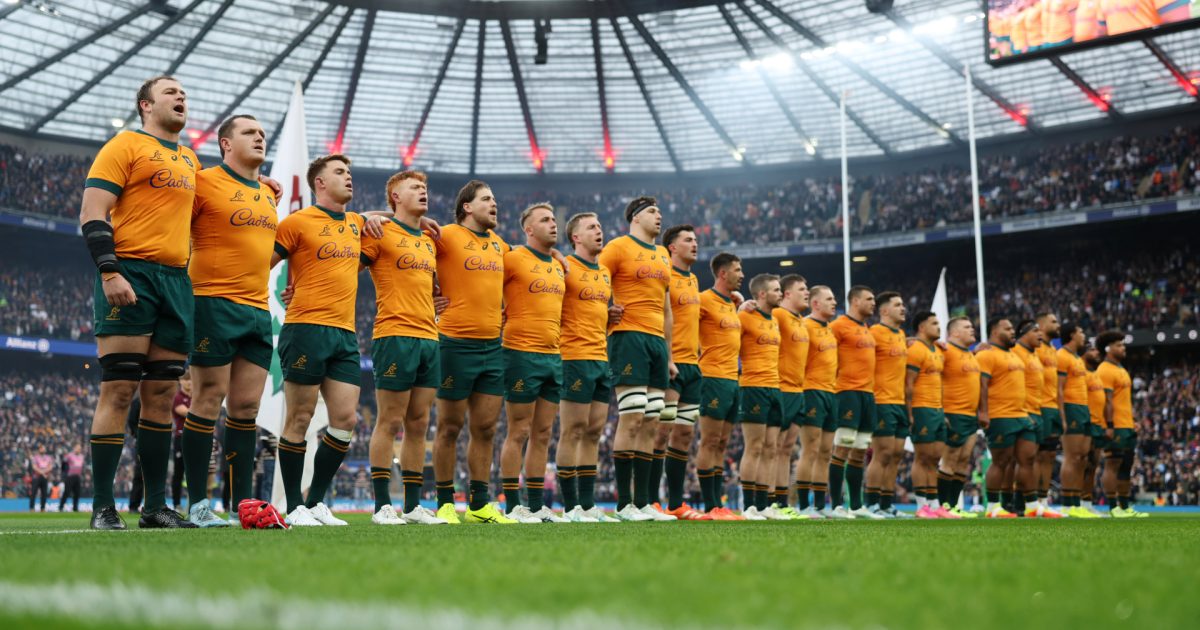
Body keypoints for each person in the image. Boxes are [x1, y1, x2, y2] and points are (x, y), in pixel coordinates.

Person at [81, 76, 201, 529]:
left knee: (162, 394)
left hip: (176, 280)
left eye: (184, 92)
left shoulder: (190, 159)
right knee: (119, 388)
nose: (181, 96)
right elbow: (92, 211)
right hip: (131, 271)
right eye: (170, 91)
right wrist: (109, 271)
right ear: (145, 105)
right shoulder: (125, 145)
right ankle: (102, 506)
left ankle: (154, 507)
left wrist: (259, 183)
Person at [185, 114, 278, 526]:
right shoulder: (202, 182)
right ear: (225, 143)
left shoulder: (268, 193)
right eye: (249, 133)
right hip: (212, 303)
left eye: (262, 134)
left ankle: (244, 507)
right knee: (208, 398)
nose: (259, 137)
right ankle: (198, 504)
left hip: (258, 311)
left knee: (246, 408)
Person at [269, 154, 366, 527]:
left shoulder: (358, 224)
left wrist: (382, 217)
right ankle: (294, 506)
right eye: (340, 172)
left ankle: (315, 502)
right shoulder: (297, 223)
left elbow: (387, 222)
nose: (348, 177)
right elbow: (262, 262)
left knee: (345, 420)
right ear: (320, 183)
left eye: (349, 172)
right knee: (300, 417)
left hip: (345, 333)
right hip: (306, 328)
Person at [360, 170, 446, 526]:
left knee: (419, 423)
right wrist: (369, 216)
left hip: (429, 337)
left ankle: (412, 507)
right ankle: (382, 506)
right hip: (394, 335)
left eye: (424, 187)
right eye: (414, 187)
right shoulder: (378, 231)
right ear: (395, 197)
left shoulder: (429, 240)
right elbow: (344, 262)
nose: (423, 191)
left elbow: (432, 288)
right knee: (390, 420)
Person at [432, 180, 517, 524]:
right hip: (454, 344)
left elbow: (528, 268)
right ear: (466, 206)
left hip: (492, 347)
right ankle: (444, 503)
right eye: (486, 199)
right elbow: (409, 261)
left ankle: (479, 504)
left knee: (485, 429)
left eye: (494, 199)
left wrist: (555, 256)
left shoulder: (500, 245)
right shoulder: (445, 235)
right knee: (449, 427)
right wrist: (429, 296)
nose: (494, 204)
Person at [598, 196, 677, 522]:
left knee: (652, 421)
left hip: (657, 343)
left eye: (659, 211)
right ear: (635, 217)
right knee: (632, 417)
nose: (659, 216)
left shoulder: (663, 255)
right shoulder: (617, 247)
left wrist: (668, 354)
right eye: (652, 212)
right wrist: (605, 310)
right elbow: (593, 279)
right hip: (628, 336)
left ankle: (643, 503)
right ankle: (624, 504)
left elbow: (667, 310)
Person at [498, 203, 568, 523]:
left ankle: (537, 505)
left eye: (553, 219)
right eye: (545, 220)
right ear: (528, 229)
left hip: (553, 355)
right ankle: (513, 505)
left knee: (543, 433)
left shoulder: (558, 265)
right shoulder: (512, 258)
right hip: (520, 353)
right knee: (519, 431)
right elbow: (484, 283)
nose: (553, 224)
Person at [556, 212, 619, 523]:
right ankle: (570, 508)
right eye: (592, 227)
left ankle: (587, 504)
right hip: (573, 357)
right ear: (576, 237)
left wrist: (609, 318)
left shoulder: (604, 272)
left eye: (600, 226)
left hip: (600, 357)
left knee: (594, 432)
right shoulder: (564, 266)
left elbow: (592, 313)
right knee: (573, 430)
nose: (599, 231)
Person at [656, 224, 707, 520]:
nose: (695, 244)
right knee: (661, 432)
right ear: (672, 247)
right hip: (670, 363)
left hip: (693, 366)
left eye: (696, 239)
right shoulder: (664, 275)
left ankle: (675, 504)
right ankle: (650, 502)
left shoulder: (694, 279)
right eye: (688, 240)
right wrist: (667, 357)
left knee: (684, 435)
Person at [695, 253, 745, 521]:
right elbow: (683, 323)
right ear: (723, 273)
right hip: (712, 377)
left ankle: (718, 505)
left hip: (732, 379)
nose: (742, 274)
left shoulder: (732, 304)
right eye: (737, 270)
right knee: (710, 441)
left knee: (722, 444)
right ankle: (710, 505)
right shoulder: (703, 299)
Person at [736, 274, 784, 520]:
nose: (780, 294)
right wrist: (738, 309)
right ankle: (748, 506)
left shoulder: (774, 320)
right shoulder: (745, 317)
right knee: (754, 447)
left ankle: (764, 505)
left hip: (774, 388)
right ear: (762, 294)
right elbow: (728, 338)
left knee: (771, 448)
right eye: (776, 290)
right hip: (753, 387)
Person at [828, 286, 878, 519]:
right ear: (855, 301)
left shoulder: (867, 329)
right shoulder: (838, 326)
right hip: (846, 392)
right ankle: (836, 505)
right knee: (843, 447)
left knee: (860, 450)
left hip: (867, 394)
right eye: (869, 299)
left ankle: (856, 506)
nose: (873, 302)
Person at [976, 318, 1030, 519]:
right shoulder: (986, 355)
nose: (1012, 331)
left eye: (1012, 328)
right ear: (994, 331)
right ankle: (992, 506)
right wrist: (983, 412)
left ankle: (1027, 504)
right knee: (1001, 461)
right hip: (1000, 415)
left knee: (1027, 459)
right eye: (1007, 328)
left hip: (1022, 415)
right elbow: (981, 385)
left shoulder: (1014, 355)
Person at [906, 311, 957, 519]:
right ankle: (921, 506)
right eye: (934, 323)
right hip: (921, 408)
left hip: (937, 410)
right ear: (921, 327)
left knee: (935, 458)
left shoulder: (937, 350)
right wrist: (910, 413)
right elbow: (908, 383)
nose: (939, 326)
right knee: (922, 457)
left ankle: (934, 504)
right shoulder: (915, 350)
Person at [1095, 331, 1148, 518]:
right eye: (1118, 345)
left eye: (1123, 344)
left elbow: (1123, 400)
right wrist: (1109, 425)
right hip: (1115, 426)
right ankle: (1112, 507)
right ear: (1108, 349)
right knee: (1112, 464)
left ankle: (1124, 507)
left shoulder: (1121, 370)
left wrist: (1133, 421)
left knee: (1126, 466)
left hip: (1126, 425)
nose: (1123, 348)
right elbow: (1106, 401)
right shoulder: (1104, 370)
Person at [771, 275, 810, 520]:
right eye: (802, 289)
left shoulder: (801, 322)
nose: (807, 292)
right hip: (781, 388)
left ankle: (782, 502)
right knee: (774, 448)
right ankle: (769, 502)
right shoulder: (778, 315)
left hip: (798, 390)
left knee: (786, 449)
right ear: (787, 294)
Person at [866, 291, 908, 519]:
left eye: (902, 304)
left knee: (896, 455)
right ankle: (871, 503)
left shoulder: (901, 334)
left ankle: (886, 504)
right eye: (897, 305)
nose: (903, 308)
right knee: (882, 453)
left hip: (900, 402)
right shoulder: (874, 333)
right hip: (881, 401)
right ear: (884, 310)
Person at [1012, 320, 1060, 518]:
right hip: (1024, 410)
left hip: (1040, 410)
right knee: (1024, 458)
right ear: (1024, 333)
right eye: (1035, 331)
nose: (1040, 334)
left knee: (1040, 457)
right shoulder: (1016, 351)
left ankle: (1038, 502)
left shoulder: (1038, 353)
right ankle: (1015, 502)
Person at [798, 285, 838, 519]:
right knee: (810, 449)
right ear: (815, 304)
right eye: (829, 299)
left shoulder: (831, 329)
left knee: (825, 452)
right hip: (811, 391)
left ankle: (821, 505)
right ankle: (804, 506)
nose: (834, 302)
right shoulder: (804, 326)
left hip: (831, 393)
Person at [937, 317, 981, 518]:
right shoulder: (945, 351)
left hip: (971, 415)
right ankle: (943, 506)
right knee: (950, 459)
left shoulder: (970, 354)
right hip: (952, 413)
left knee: (964, 461)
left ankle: (954, 507)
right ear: (954, 333)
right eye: (967, 327)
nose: (972, 329)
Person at [1057, 323, 1099, 518]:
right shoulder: (1062, 356)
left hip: (1083, 409)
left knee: (1082, 458)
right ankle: (1067, 504)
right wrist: (1062, 416)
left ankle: (1077, 503)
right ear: (1072, 335)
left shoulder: (1076, 359)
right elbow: (1059, 388)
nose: (1084, 335)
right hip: (1071, 408)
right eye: (1081, 331)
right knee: (1072, 457)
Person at [1034, 312, 1063, 515]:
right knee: (1035, 455)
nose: (1057, 324)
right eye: (1053, 321)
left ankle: (1043, 501)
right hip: (1040, 407)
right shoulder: (1036, 348)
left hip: (1052, 408)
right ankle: (1030, 501)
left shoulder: (1053, 350)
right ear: (1042, 325)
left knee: (1049, 455)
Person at [1082, 343, 1108, 516]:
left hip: (1099, 424)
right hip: (1086, 423)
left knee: (1093, 465)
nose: (1097, 352)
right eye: (1091, 350)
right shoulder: (1080, 374)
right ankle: (1074, 502)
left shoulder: (1096, 374)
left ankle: (1087, 502)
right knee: (1081, 464)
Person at [170, 372, 192, 512]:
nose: (189, 382)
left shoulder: (194, 397)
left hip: (194, 437)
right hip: (181, 437)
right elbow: (187, 413)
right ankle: (176, 504)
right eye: (186, 380)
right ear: (181, 381)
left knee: (194, 471)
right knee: (178, 472)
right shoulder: (178, 397)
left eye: (191, 380)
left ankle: (193, 503)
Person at [28, 445, 53, 512]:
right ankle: (32, 508)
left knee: (44, 493)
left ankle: (43, 508)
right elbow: (34, 467)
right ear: (39, 449)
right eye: (41, 448)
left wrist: (43, 472)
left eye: (43, 448)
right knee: (33, 493)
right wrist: (42, 473)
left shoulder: (48, 458)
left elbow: (50, 467)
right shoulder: (35, 457)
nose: (43, 449)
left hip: (45, 477)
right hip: (36, 477)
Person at [60, 444, 85, 512]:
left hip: (78, 476)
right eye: (78, 448)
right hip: (70, 476)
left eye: (80, 449)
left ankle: (75, 508)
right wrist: (64, 473)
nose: (79, 450)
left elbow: (81, 466)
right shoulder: (69, 455)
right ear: (74, 448)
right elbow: (63, 463)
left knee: (77, 493)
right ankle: (61, 507)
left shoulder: (82, 456)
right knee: (66, 492)